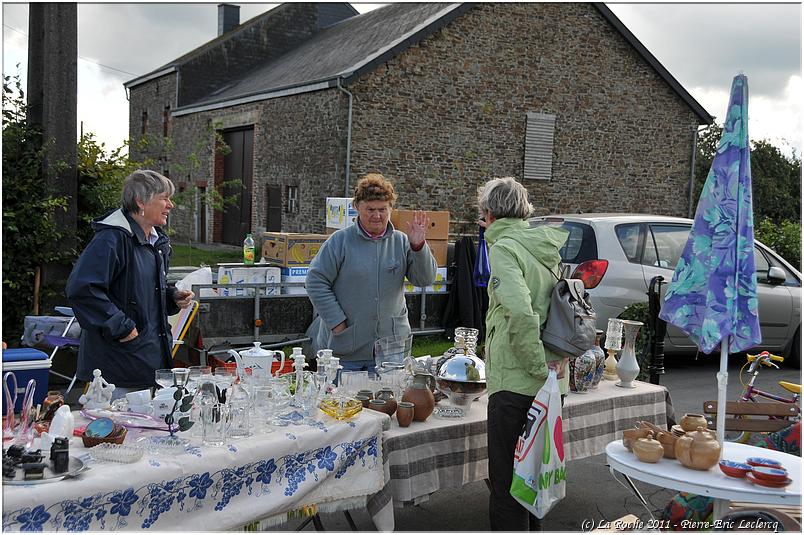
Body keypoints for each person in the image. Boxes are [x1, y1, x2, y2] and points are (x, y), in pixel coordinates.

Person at [478, 177, 570, 531]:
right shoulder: (540, 243)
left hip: (519, 382)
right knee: (532, 479)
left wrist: (536, 367)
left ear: (488, 213)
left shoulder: (504, 247)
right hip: (549, 385)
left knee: (505, 485)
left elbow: (520, 313)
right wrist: (546, 372)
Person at [66, 169, 194, 400]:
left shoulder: (156, 241)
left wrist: (171, 296)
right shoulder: (112, 239)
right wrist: (121, 327)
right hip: (116, 369)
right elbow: (82, 289)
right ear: (140, 201)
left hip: (146, 362)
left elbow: (140, 290)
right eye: (164, 198)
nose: (170, 205)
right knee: (115, 434)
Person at [305, 173, 437, 372]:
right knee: (345, 402)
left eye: (383, 209)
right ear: (357, 208)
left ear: (391, 209)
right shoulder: (339, 242)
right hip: (346, 350)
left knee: (389, 402)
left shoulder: (402, 242)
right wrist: (337, 322)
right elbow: (315, 281)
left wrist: (418, 247)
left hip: (391, 350)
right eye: (370, 209)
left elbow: (424, 279)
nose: (377, 215)